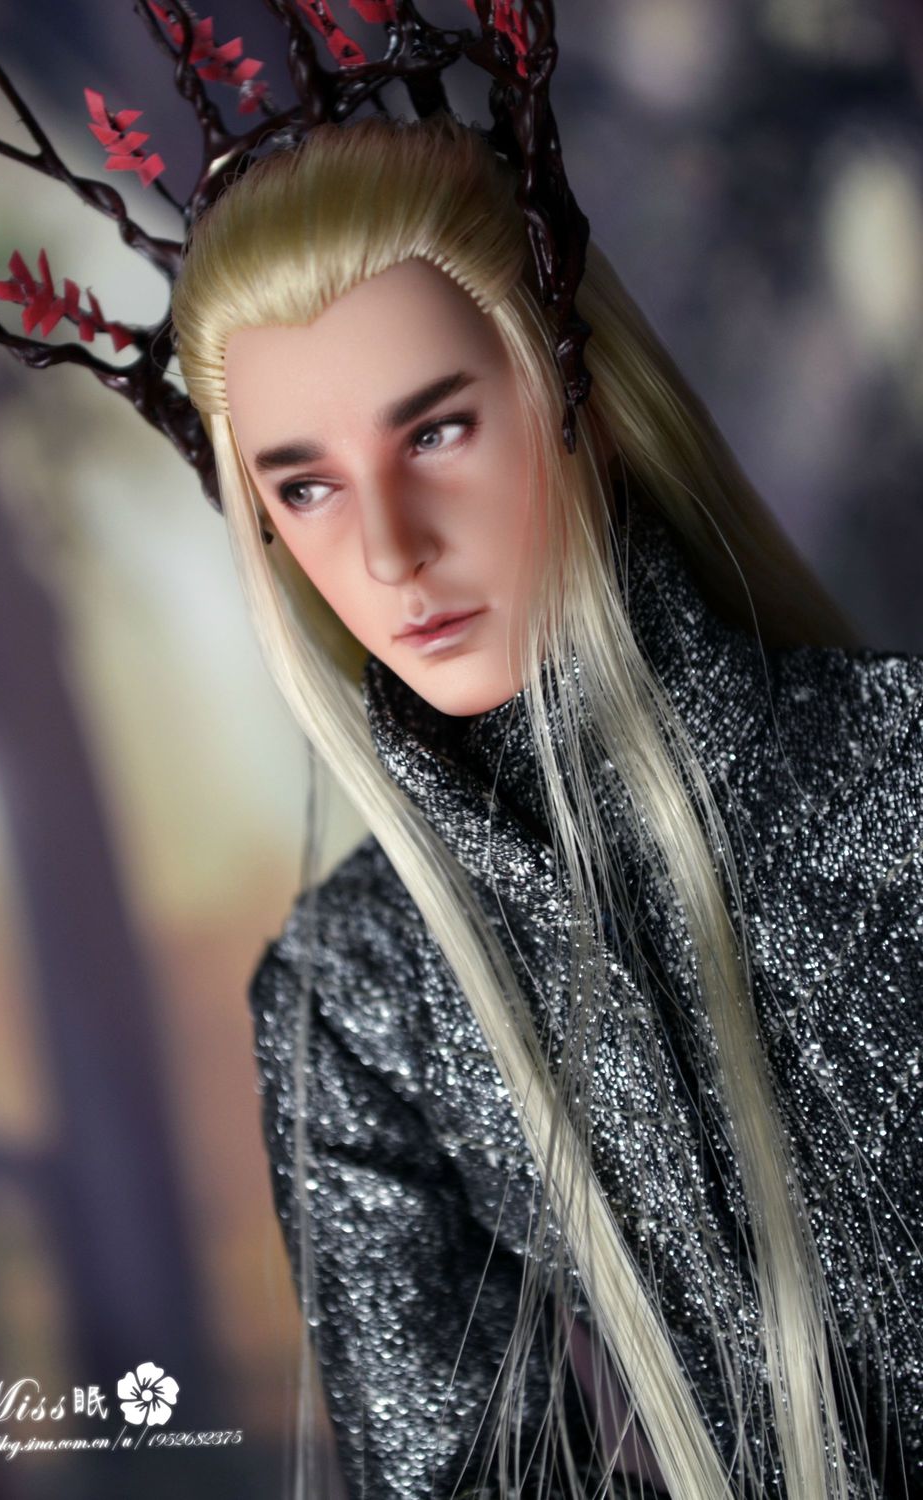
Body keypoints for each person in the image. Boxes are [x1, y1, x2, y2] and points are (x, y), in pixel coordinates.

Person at [169, 110, 922, 1500]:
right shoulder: (358, 995)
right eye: (306, 485)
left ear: (590, 400)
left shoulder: (899, 777)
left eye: (439, 430)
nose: (389, 549)